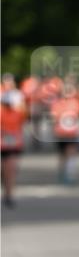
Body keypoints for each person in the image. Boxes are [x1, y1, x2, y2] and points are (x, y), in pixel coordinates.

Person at [1, 74, 27, 207]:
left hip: (13, 144)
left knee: (11, 169)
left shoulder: (18, 112)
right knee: (4, 170)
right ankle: (7, 190)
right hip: (3, 144)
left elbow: (23, 121)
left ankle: (9, 194)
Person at [50, 82, 79, 183]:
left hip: (72, 133)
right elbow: (54, 118)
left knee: (71, 153)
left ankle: (70, 175)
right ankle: (61, 173)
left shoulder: (76, 103)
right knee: (62, 155)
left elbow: (76, 116)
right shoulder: (57, 104)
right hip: (61, 133)